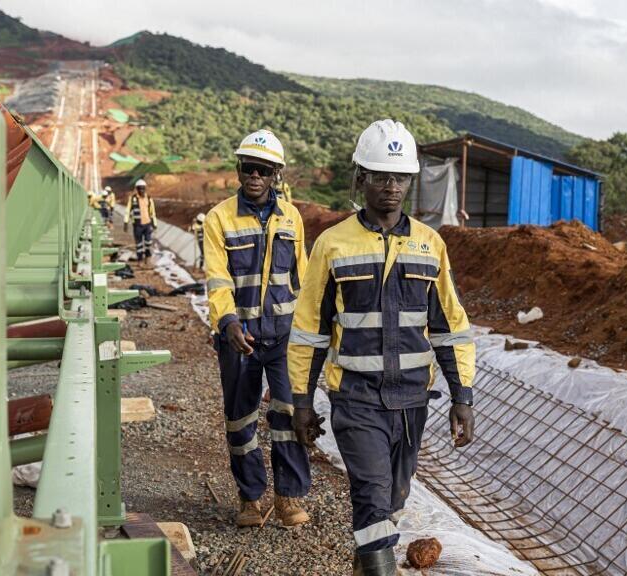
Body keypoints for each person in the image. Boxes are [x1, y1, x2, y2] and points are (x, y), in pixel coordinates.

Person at [287, 119, 476, 576]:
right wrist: (301, 401)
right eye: (380, 176)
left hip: (412, 401)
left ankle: (365, 564)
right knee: (371, 497)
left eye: (399, 178)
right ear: (361, 178)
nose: (391, 187)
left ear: (409, 181)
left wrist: (462, 396)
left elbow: (449, 326)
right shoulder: (332, 244)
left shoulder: (431, 245)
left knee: (393, 498)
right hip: (356, 399)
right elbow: (310, 328)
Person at [203, 129, 312, 529]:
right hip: (239, 338)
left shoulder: (292, 218)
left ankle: (288, 496)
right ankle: (250, 498)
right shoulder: (219, 219)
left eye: (264, 170)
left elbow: (303, 279)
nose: (255, 176)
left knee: (289, 414)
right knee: (241, 419)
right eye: (249, 167)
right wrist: (228, 321)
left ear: (276, 175)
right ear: (238, 169)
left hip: (284, 337)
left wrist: (309, 333)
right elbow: (217, 278)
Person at [126, 179, 157, 261]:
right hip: (137, 225)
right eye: (139, 188)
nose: (141, 190)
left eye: (143, 188)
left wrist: (154, 223)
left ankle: (148, 257)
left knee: (148, 242)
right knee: (139, 243)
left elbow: (152, 212)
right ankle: (140, 259)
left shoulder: (149, 198)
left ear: (145, 188)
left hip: (147, 224)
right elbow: (128, 210)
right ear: (137, 189)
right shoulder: (133, 199)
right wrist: (125, 222)